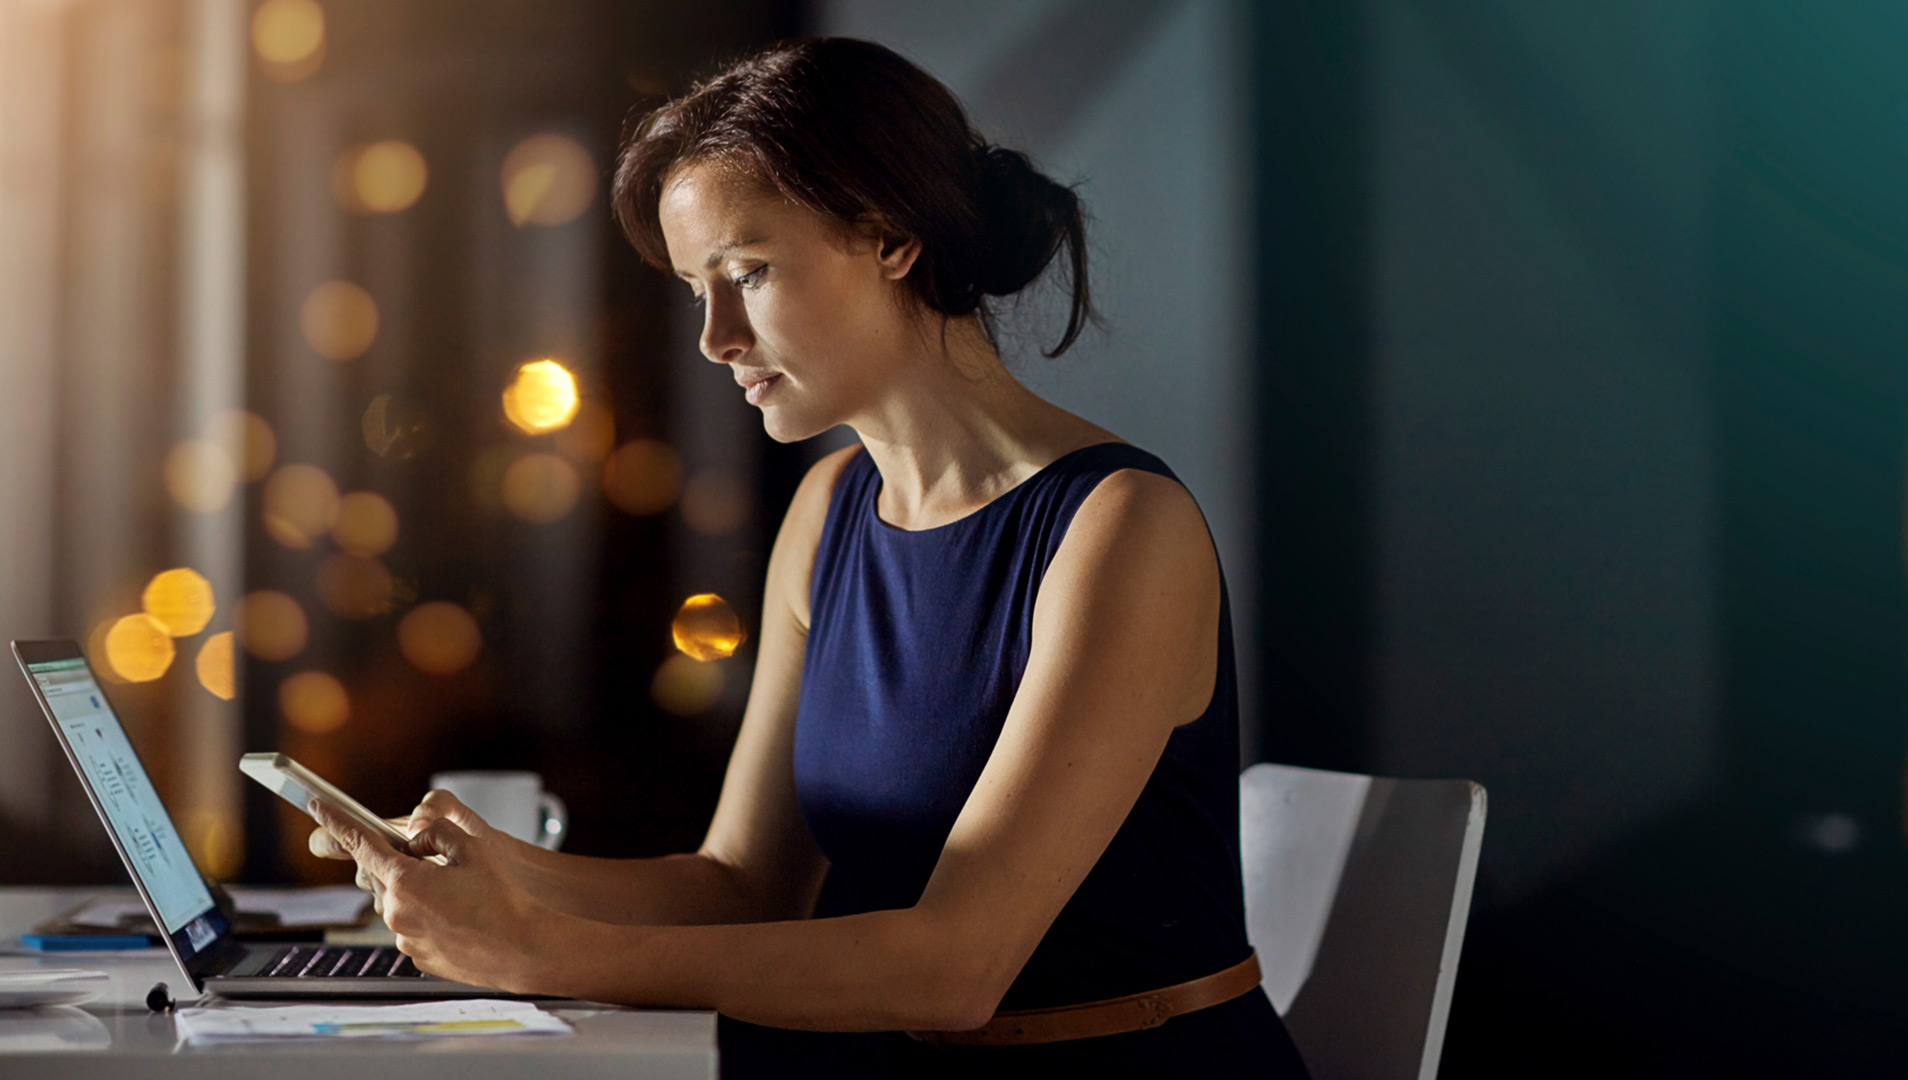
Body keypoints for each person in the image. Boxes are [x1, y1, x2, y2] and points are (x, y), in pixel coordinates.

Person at [309, 36, 1310, 1079]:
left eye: (748, 273)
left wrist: (541, 949)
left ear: (891, 238)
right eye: (699, 287)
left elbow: (953, 969)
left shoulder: (1118, 526)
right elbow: (741, 884)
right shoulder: (833, 508)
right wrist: (496, 869)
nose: (715, 336)